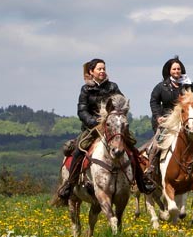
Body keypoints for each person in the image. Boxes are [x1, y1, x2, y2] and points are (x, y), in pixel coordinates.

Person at [57, 58, 155, 200]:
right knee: (79, 150)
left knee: (132, 148)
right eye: (99, 69)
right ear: (91, 72)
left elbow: (121, 103)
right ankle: (70, 184)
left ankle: (141, 182)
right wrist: (94, 121)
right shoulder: (85, 89)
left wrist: (116, 116)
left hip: (113, 127)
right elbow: (82, 111)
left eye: (104, 68)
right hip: (92, 128)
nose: (102, 71)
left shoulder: (113, 87)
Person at [146, 56, 193, 177]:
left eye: (178, 69)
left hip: (186, 121)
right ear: (169, 71)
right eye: (174, 69)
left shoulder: (190, 85)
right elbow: (154, 101)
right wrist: (158, 116)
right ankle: (151, 169)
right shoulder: (161, 86)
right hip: (166, 121)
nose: (176, 71)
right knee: (155, 145)